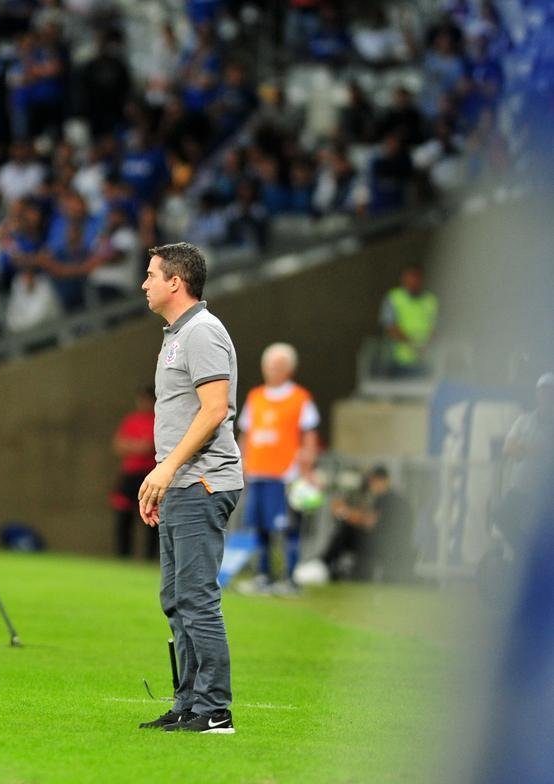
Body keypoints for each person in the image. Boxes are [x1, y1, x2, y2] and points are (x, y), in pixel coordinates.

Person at [136, 242, 243, 735]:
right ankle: (188, 704)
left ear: (175, 282)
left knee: (196, 598)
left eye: (152, 274)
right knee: (176, 600)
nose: (145, 283)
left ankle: (215, 710)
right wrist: (162, 479)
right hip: (180, 482)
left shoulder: (202, 332)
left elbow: (214, 408)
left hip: (201, 481)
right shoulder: (177, 335)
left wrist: (168, 470)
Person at [235, 343, 320, 596]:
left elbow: (309, 435)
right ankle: (263, 576)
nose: (272, 370)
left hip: (286, 475)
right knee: (259, 526)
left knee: (288, 528)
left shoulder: (300, 398)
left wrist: (307, 466)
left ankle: (290, 579)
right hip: (258, 472)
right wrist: (241, 462)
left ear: (289, 369)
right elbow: (246, 433)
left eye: (278, 366)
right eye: (269, 365)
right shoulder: (256, 397)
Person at [319, 465, 415, 582]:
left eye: (375, 480)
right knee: (348, 531)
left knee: (347, 531)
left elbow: (369, 523)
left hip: (388, 545)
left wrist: (344, 513)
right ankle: (325, 565)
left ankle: (323, 564)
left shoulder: (387, 498)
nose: (372, 485)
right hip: (392, 544)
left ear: (385, 480)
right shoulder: (392, 498)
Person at [495, 373, 554, 551]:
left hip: (546, 493)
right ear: (537, 394)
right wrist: (534, 449)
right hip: (520, 489)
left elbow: (547, 450)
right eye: (543, 391)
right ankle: (526, 551)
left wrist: (525, 448)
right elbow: (508, 448)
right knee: (501, 517)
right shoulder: (524, 420)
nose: (546, 396)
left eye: (550, 391)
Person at [111, 386, 158, 560]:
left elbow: (148, 447)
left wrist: (132, 446)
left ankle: (150, 558)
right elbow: (118, 445)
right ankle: (122, 557)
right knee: (123, 514)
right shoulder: (131, 420)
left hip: (149, 475)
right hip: (129, 474)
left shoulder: (157, 420)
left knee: (151, 516)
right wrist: (136, 446)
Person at [378, 265, 438, 377]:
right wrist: (413, 344)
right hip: (397, 360)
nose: (413, 282)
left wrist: (427, 345)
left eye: (416, 278)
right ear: (404, 279)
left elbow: (436, 327)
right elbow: (390, 327)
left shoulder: (430, 300)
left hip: (424, 359)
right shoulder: (394, 298)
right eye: (410, 278)